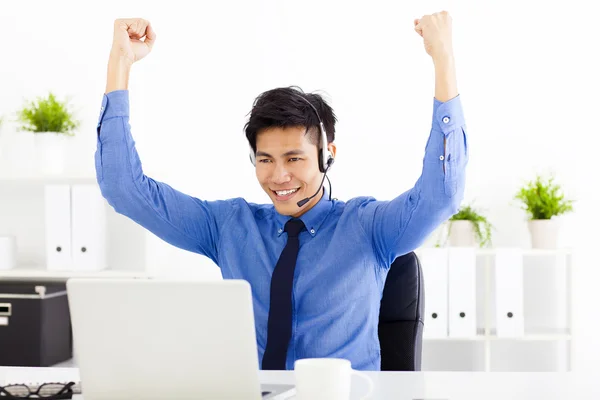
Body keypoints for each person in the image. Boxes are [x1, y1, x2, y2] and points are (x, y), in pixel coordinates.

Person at [96, 11, 467, 371]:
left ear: (327, 155)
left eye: (294, 159)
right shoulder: (230, 226)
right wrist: (120, 62)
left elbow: (442, 196)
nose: (278, 176)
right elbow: (124, 189)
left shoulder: (369, 228)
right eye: (265, 160)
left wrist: (443, 58)